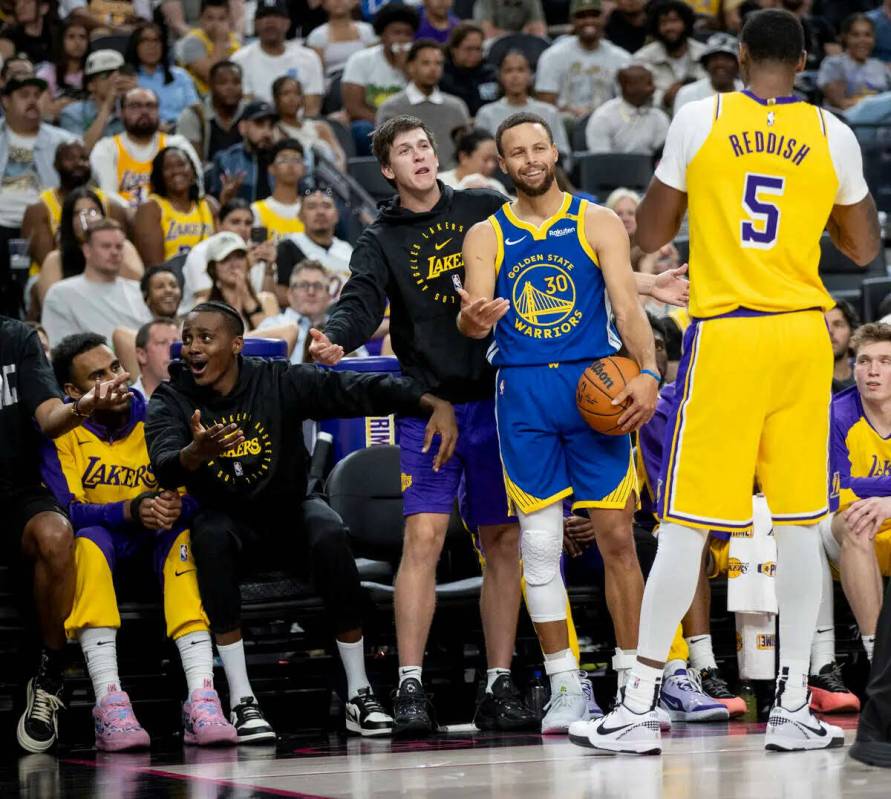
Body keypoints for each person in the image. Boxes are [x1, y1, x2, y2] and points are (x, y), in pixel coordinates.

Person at [309, 114, 688, 737]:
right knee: (468, 540)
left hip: (537, 393)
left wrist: (646, 327)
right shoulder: (419, 236)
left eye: (424, 145)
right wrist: (455, 326)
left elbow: (607, 281)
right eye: (404, 150)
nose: (419, 156)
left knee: (570, 540)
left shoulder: (505, 209)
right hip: (461, 400)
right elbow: (370, 302)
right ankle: (468, 685)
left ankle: (587, 685)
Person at [570, 8, 881, 755]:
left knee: (685, 520)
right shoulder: (832, 133)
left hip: (730, 331)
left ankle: (639, 702)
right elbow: (864, 244)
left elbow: (647, 233)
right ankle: (794, 704)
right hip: (804, 336)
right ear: (804, 62)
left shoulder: (699, 117)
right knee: (803, 522)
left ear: (739, 55)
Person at [144, 300, 459, 740]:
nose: (192, 348)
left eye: (205, 338)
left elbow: (356, 387)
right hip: (229, 524)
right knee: (209, 535)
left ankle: (358, 692)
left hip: (287, 514)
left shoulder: (277, 380)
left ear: (236, 345)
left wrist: (429, 401)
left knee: (329, 529)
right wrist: (194, 454)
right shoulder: (172, 396)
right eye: (189, 338)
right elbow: (163, 465)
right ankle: (241, 700)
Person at [458, 110, 659, 734]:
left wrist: (648, 371)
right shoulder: (486, 235)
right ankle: (566, 684)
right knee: (540, 545)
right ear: (502, 163)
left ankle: (634, 681)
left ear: (554, 151)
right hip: (523, 392)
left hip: (594, 382)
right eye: (516, 152)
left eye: (538, 147)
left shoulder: (596, 221)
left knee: (618, 538)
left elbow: (626, 306)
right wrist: (476, 320)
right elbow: (471, 320)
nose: (530, 159)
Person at [41, 333, 237, 751]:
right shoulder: (63, 434)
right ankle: (109, 701)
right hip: (101, 556)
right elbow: (66, 512)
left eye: (115, 368)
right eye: (98, 376)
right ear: (73, 392)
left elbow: (197, 496)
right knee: (88, 540)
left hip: (156, 551)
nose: (116, 380)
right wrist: (129, 510)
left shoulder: (157, 417)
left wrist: (171, 507)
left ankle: (202, 695)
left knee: (184, 536)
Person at [0, 315, 132, 753]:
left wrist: (84, 405)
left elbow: (50, 419)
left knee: (59, 534)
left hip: (15, 492)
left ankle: (50, 672)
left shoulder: (15, 337)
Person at [817, 323, 891, 707]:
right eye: (863, 361)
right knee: (858, 523)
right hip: (844, 528)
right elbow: (843, 492)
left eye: (884, 361)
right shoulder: (837, 412)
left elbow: (860, 484)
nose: (872, 371)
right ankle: (879, 657)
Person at [0, 72, 78, 318]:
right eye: (24, 95)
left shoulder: (63, 141)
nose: (33, 101)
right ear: (6, 101)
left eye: (37, 95)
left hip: (43, 226)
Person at [21, 141, 128, 278]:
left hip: (103, 274)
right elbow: (47, 261)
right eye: (70, 159)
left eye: (84, 159)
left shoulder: (111, 205)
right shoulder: (39, 208)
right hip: (52, 276)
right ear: (56, 165)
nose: (79, 164)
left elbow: (121, 253)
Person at [42, 219, 152, 346]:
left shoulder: (139, 290)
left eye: (119, 247)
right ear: (87, 250)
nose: (114, 252)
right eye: (106, 246)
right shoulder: (61, 293)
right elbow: (59, 347)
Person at [90, 87, 203, 209]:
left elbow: (198, 189)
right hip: (125, 220)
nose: (144, 111)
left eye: (150, 106)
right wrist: (142, 217)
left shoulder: (177, 144)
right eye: (135, 106)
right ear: (121, 113)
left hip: (172, 219)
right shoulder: (106, 148)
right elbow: (109, 196)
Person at [37, 187, 144, 306]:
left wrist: (108, 242)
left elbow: (138, 289)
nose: (87, 218)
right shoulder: (55, 259)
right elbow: (51, 306)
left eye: (93, 211)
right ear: (68, 221)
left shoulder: (123, 247)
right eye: (78, 213)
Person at [376, 40, 470, 169]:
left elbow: (468, 151)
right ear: (411, 67)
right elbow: (384, 155)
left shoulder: (456, 107)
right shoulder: (391, 108)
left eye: (438, 63)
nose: (433, 69)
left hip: (454, 181)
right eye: (426, 63)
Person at [535, 0, 631, 123]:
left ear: (603, 18)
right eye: (581, 16)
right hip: (565, 124)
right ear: (572, 20)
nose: (588, 21)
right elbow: (546, 105)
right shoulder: (552, 56)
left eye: (594, 15)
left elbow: (626, 104)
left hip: (607, 123)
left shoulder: (621, 58)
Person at [340, 2, 416, 155]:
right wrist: (389, 125)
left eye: (407, 34)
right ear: (382, 35)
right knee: (361, 130)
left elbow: (423, 97)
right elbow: (353, 107)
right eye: (396, 32)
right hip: (373, 124)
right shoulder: (360, 59)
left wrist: (406, 69)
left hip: (410, 124)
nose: (402, 39)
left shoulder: (417, 62)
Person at [475, 50, 571, 163]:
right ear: (500, 76)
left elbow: (563, 155)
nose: (515, 76)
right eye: (508, 70)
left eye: (520, 70)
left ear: (530, 76)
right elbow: (481, 157)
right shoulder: (486, 114)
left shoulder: (549, 112)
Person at [182, 198, 276, 311]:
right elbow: (210, 302)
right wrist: (246, 268)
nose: (243, 228)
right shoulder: (201, 253)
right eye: (235, 222)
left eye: (248, 223)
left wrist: (269, 268)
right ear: (218, 224)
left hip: (249, 317)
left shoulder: (257, 252)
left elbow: (268, 304)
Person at [230, 0, 324, 110]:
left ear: (288, 23)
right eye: (264, 16)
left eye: (276, 16)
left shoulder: (308, 58)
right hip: (258, 124)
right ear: (255, 24)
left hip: (299, 125)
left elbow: (312, 108)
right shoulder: (239, 60)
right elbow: (244, 106)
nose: (270, 21)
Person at [133, 146, 217, 266]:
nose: (176, 171)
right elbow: (154, 267)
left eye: (181, 164)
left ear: (193, 171)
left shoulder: (210, 205)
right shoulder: (150, 209)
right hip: (172, 280)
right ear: (159, 175)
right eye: (168, 167)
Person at [275, 187, 353, 305]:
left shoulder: (347, 250)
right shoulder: (289, 246)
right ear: (300, 215)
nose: (320, 212)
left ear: (337, 215)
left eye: (326, 206)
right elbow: (279, 293)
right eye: (312, 207)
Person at [58, 50, 136, 154]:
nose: (114, 80)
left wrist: (135, 98)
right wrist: (108, 106)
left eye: (118, 74)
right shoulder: (71, 113)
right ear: (91, 85)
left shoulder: (130, 110)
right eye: (105, 75)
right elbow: (80, 153)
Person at [634, 1, 706, 112]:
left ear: (686, 23)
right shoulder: (642, 59)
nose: (669, 28)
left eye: (674, 21)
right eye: (663, 23)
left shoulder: (704, 54)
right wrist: (665, 98)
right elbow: (638, 98)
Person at [127, 21, 201, 128]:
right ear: (135, 46)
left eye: (156, 41)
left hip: (182, 131)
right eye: (145, 41)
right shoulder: (129, 79)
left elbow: (195, 108)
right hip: (145, 131)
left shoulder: (180, 75)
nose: (152, 46)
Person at [259, 259, 335, 363]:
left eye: (317, 286)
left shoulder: (340, 328)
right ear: (290, 294)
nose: (311, 292)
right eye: (303, 285)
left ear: (329, 296)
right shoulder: (272, 326)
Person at [585, 63, 670, 155]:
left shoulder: (659, 117)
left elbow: (664, 157)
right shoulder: (603, 117)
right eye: (648, 84)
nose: (654, 88)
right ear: (629, 87)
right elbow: (601, 160)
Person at [204, 230, 278, 330]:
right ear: (213, 269)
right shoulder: (205, 308)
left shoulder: (267, 300)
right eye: (225, 259)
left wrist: (247, 298)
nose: (234, 264)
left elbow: (271, 340)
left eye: (239, 257)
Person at [206, 100, 277, 203]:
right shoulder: (225, 160)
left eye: (271, 126)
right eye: (259, 124)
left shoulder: (281, 161)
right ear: (242, 127)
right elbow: (215, 203)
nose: (267, 133)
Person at [177, 60, 247, 164]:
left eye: (236, 82)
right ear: (211, 85)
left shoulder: (250, 112)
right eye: (223, 83)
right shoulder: (193, 115)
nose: (230, 88)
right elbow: (192, 163)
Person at [818, 14, 891, 112]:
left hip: (878, 123)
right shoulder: (834, 64)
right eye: (855, 35)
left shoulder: (879, 66)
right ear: (845, 37)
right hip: (844, 121)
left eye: (867, 35)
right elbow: (840, 103)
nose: (862, 40)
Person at [273, 76, 346, 173]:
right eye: (286, 94)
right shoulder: (276, 131)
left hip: (333, 177)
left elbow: (339, 156)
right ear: (276, 99)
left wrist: (338, 172)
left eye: (297, 93)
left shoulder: (320, 127)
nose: (292, 98)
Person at [177, 0, 241, 96]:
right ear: (201, 19)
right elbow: (211, 75)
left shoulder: (235, 41)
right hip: (202, 98)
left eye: (221, 19)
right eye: (210, 18)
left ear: (229, 20)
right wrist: (220, 41)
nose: (216, 24)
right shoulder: (192, 42)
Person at [250, 138, 306, 242]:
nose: (291, 166)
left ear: (304, 169)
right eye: (284, 160)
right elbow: (258, 249)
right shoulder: (257, 210)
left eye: (296, 160)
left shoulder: (309, 210)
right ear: (271, 168)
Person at [439, 22, 499, 117]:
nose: (474, 54)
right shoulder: (441, 76)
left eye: (478, 49)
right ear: (454, 49)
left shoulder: (490, 75)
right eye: (469, 49)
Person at [673, 33, 744, 114]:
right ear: (705, 64)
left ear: (738, 64)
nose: (720, 64)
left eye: (727, 58)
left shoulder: (750, 93)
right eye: (715, 58)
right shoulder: (687, 94)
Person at [35, 16, 89, 122]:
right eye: (71, 37)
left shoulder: (94, 72)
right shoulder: (47, 73)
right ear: (61, 41)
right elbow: (44, 114)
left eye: (82, 37)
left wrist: (67, 105)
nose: (78, 42)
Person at [305, 0, 377, 79]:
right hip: (332, 82)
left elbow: (375, 64)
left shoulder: (367, 30)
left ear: (354, 2)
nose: (338, 1)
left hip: (365, 79)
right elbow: (317, 73)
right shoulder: (317, 35)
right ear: (324, 4)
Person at [437, 128, 506, 193]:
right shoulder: (438, 182)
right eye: (485, 159)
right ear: (464, 157)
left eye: (494, 160)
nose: (491, 165)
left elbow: (509, 204)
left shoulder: (495, 186)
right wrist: (462, 189)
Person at [133, 317, 180, 397]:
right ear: (142, 355)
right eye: (162, 343)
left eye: (176, 342)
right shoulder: (128, 402)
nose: (173, 349)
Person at [827, 300, 859, 393]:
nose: (830, 331)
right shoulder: (805, 383)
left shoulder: (869, 375)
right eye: (823, 324)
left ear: (853, 335)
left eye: (838, 324)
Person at [473, 0, 546, 39]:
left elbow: (540, 30)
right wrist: (518, 35)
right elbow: (487, 32)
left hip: (523, 42)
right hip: (495, 41)